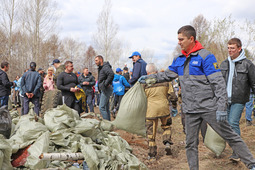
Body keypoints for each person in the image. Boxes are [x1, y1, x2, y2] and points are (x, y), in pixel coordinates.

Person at [139, 25, 255, 170]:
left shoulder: (205, 57)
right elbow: (167, 75)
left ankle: (251, 164)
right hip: (190, 110)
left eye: (181, 39)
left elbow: (218, 83)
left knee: (230, 136)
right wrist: (151, 78)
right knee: (190, 143)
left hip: (209, 108)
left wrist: (221, 107)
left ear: (191, 39)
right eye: (178, 39)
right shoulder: (179, 59)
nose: (179, 42)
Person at [220, 38, 255, 161]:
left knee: (233, 122)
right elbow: (219, 83)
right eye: (228, 48)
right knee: (227, 125)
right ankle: (234, 148)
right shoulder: (224, 64)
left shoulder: (248, 64)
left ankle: (237, 153)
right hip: (225, 100)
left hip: (239, 99)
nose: (230, 50)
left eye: (232, 48)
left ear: (239, 49)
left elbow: (254, 83)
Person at [143, 63, 176, 160]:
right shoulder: (166, 80)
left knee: (151, 133)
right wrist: (174, 106)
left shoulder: (144, 82)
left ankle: (152, 155)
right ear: (156, 71)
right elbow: (172, 95)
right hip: (164, 108)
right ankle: (167, 143)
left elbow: (141, 98)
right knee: (166, 127)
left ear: (147, 72)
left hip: (150, 111)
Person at [95, 55, 114, 121]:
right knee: (105, 107)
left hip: (106, 89)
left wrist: (106, 84)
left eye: (96, 60)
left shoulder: (105, 67)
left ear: (101, 60)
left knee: (101, 107)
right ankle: (109, 123)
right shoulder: (101, 68)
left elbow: (111, 74)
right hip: (104, 89)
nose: (95, 62)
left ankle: (106, 123)